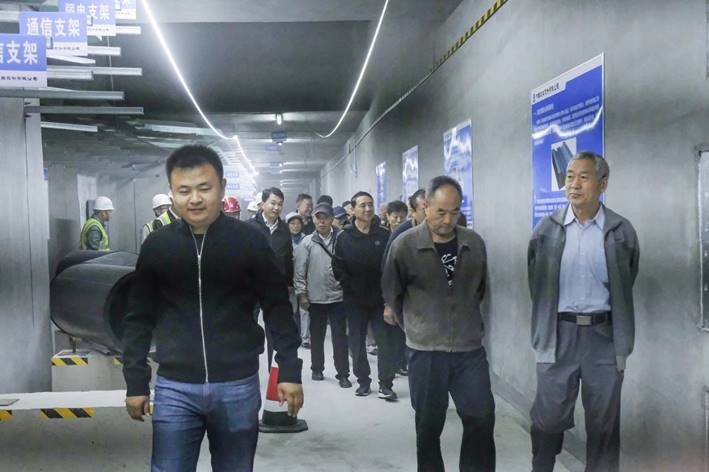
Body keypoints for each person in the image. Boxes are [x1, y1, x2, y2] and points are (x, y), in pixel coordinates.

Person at [121, 144, 303, 471]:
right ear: (172, 193)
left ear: (222, 188)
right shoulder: (158, 246)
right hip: (175, 387)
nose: (195, 199)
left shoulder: (250, 242)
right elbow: (138, 317)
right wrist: (136, 381)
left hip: (237, 385)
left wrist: (289, 370)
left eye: (204, 188)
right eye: (184, 190)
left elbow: (277, 308)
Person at [527, 151, 639, 472]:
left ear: (603, 184)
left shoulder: (621, 230)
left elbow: (627, 278)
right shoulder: (546, 230)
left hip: (604, 338)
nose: (574, 184)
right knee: (547, 419)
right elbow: (536, 283)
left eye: (583, 177)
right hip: (558, 334)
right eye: (569, 177)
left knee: (604, 424)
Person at [382, 175, 496, 472]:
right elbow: (393, 293)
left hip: (468, 349)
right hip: (426, 351)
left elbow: (480, 289)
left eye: (454, 212)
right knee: (428, 426)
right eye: (441, 212)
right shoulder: (405, 245)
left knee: (482, 417)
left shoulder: (473, 243)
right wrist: (418, 327)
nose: (447, 220)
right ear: (425, 207)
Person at [332, 191, 398, 400]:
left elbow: (391, 265)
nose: (368, 209)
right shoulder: (344, 236)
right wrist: (349, 284)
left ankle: (386, 384)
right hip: (354, 300)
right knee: (357, 343)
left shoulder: (383, 234)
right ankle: (363, 381)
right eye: (363, 205)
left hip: (380, 299)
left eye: (370, 204)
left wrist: (389, 297)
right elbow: (337, 266)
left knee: (385, 343)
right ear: (353, 210)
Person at [294, 203, 351, 387]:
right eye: (318, 218)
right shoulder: (306, 243)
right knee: (317, 336)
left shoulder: (342, 239)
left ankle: (343, 374)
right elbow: (299, 271)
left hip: (338, 297)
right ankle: (317, 368)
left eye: (325, 218)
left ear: (332, 219)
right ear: (313, 220)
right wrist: (302, 294)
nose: (322, 222)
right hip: (316, 298)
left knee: (340, 338)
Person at [249, 187, 295, 366]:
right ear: (262, 204)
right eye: (273, 203)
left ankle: (273, 372)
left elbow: (288, 258)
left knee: (276, 332)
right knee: (249, 327)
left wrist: (289, 283)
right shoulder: (249, 227)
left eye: (280, 204)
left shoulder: (284, 229)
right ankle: (250, 366)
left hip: (275, 288)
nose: (276, 208)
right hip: (251, 288)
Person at [285, 211, 309, 347]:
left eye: (298, 223)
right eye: (292, 224)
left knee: (305, 309)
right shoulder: (284, 239)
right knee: (291, 309)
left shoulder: (307, 239)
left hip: (305, 279)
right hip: (289, 280)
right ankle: (293, 335)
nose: (295, 226)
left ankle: (305, 338)